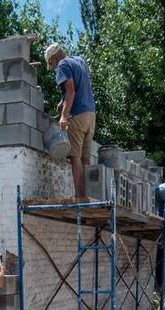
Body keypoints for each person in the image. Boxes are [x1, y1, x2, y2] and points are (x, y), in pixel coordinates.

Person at [45, 42, 96, 198]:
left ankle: (80, 198)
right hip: (90, 115)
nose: (53, 67)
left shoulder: (62, 65)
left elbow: (71, 90)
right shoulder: (79, 60)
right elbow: (79, 87)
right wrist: (63, 102)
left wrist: (64, 116)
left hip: (78, 116)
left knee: (75, 158)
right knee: (85, 159)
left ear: (53, 57)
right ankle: (88, 197)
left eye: (50, 63)